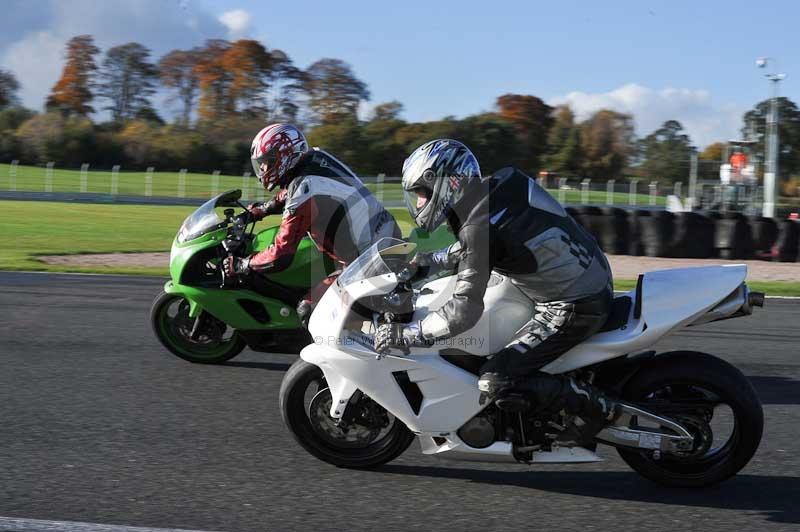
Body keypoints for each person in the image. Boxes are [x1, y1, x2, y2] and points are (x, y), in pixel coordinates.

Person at [374, 138, 618, 444]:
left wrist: (407, 335)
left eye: (423, 193)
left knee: (495, 378)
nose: (419, 203)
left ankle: (595, 406)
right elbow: (474, 250)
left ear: (449, 182)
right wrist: (424, 263)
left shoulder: (478, 223)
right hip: (575, 275)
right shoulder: (491, 194)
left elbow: (462, 312)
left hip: (571, 303)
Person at [224, 123, 401, 325]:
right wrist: (262, 210)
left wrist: (243, 264)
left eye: (267, 162)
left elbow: (280, 255)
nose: (262, 169)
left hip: (370, 258)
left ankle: (361, 347)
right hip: (383, 236)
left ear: (284, 156)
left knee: (311, 310)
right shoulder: (316, 158)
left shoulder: (303, 189)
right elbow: (292, 192)